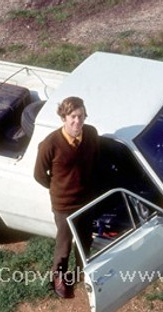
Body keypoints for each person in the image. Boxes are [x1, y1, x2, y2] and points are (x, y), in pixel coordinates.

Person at [34, 96, 99, 298]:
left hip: (86, 201)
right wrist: (58, 189)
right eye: (72, 117)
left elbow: (96, 160)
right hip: (63, 205)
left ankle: (83, 274)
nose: (77, 121)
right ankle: (58, 279)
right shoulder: (50, 144)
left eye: (80, 116)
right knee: (64, 245)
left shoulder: (91, 134)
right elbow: (39, 174)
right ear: (64, 117)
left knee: (84, 240)